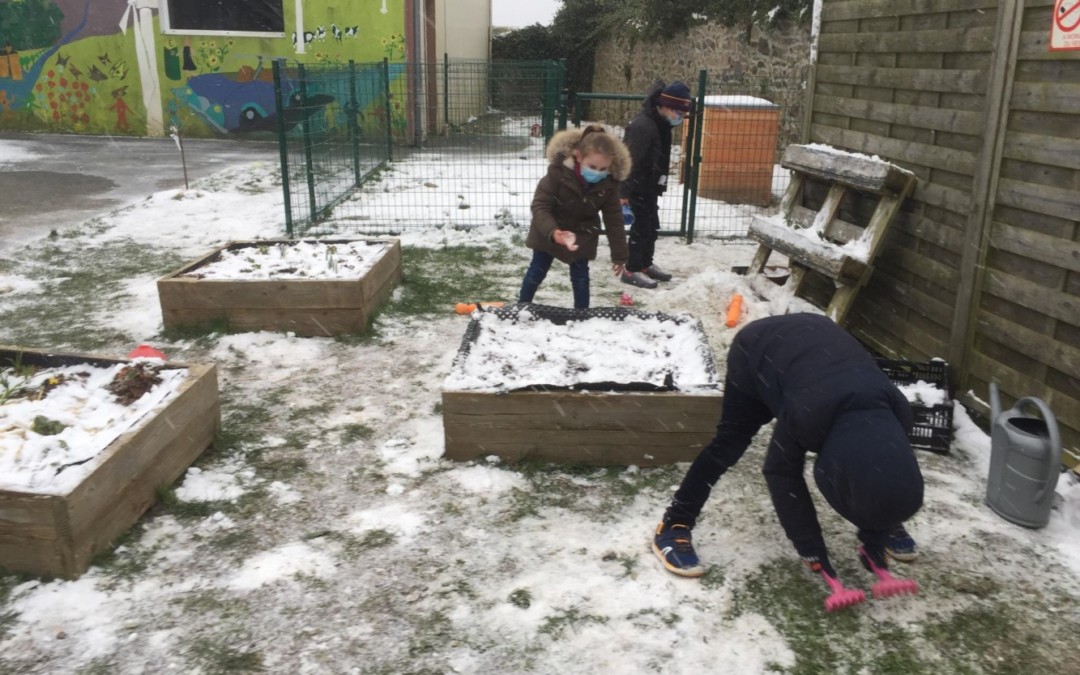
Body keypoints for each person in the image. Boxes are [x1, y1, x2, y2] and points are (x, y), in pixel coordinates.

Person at [652, 314, 924, 598]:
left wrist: (876, 528)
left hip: (816, 354)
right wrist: (811, 549)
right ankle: (674, 523)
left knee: (874, 471)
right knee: (729, 444)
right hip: (759, 350)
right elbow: (782, 474)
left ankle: (884, 518)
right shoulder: (806, 418)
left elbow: (883, 462)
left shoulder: (897, 412)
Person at [519, 125, 630, 309]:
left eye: (603, 169)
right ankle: (521, 307)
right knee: (536, 272)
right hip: (550, 230)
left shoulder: (609, 184)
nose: (597, 173)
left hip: (582, 233)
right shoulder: (557, 174)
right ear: (578, 156)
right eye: (592, 166)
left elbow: (614, 220)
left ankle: (581, 315)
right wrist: (554, 232)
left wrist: (619, 255)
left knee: (581, 278)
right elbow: (540, 206)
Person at [619, 80, 692, 289]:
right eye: (679, 112)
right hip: (636, 186)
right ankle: (631, 269)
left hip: (649, 186)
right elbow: (630, 160)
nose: (681, 117)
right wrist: (623, 191)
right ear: (667, 106)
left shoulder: (661, 124)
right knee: (641, 228)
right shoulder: (643, 126)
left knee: (650, 227)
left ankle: (644, 264)